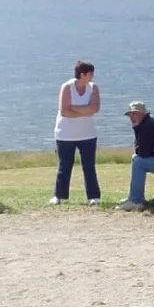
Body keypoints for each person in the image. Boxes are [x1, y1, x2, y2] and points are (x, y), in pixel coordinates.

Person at [53, 60, 103, 205]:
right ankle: (59, 196)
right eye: (90, 73)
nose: (92, 76)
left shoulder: (93, 88)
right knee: (64, 166)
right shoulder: (67, 87)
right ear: (82, 74)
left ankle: (93, 196)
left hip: (88, 134)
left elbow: (94, 108)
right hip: (65, 135)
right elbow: (64, 111)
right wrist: (85, 111)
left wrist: (74, 108)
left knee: (89, 167)